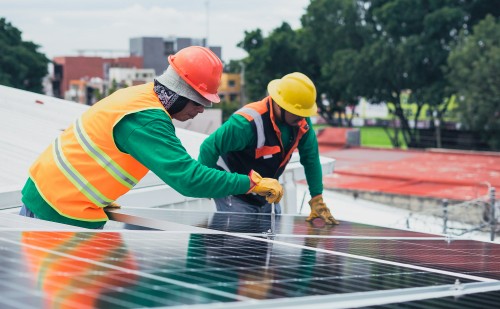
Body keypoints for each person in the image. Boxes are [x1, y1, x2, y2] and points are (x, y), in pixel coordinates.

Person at [19, 46, 283, 229]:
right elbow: (188, 180)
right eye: (200, 101)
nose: (201, 109)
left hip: (54, 195)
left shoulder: (140, 96)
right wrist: (250, 183)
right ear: (181, 92)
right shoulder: (147, 119)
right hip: (59, 208)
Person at [198, 72, 338, 224]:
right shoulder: (246, 123)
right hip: (235, 193)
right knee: (240, 240)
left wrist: (317, 198)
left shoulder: (301, 123)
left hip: (267, 193)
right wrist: (206, 185)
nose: (302, 118)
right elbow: (209, 147)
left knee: (268, 240)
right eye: (297, 113)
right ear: (279, 105)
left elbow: (311, 159)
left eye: (304, 114)